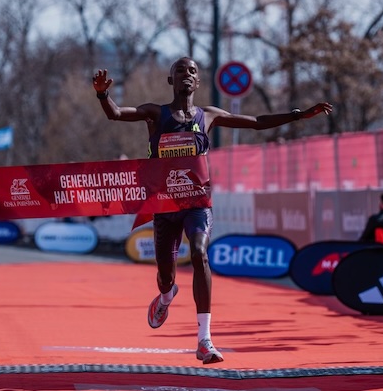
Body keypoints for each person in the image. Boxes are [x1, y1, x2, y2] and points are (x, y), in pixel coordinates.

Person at [93, 57, 333, 364]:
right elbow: (115, 114)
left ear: (198, 81)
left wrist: (299, 115)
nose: (187, 75)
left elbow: (257, 122)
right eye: (180, 70)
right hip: (165, 206)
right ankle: (166, 295)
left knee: (199, 252)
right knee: (165, 275)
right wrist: (103, 95)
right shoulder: (156, 113)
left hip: (197, 203)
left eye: (192, 71)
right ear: (171, 80)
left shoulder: (208, 116)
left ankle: (204, 339)